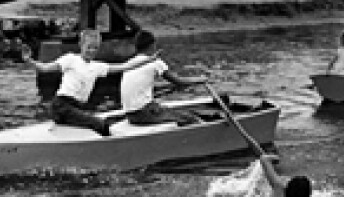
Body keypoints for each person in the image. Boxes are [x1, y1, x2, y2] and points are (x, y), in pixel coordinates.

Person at [22, 28, 160, 136]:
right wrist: (29, 60)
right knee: (102, 125)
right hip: (62, 106)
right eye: (89, 47)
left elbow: (124, 66)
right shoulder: (70, 59)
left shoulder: (97, 67)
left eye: (95, 48)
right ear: (80, 45)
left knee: (109, 119)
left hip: (77, 107)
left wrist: (148, 60)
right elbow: (45, 68)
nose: (92, 51)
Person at [121, 30, 208, 126]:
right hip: (144, 113)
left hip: (130, 115)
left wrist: (169, 86)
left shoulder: (129, 63)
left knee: (165, 109)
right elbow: (179, 81)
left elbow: (140, 86)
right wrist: (200, 79)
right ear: (152, 45)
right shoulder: (155, 61)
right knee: (191, 119)